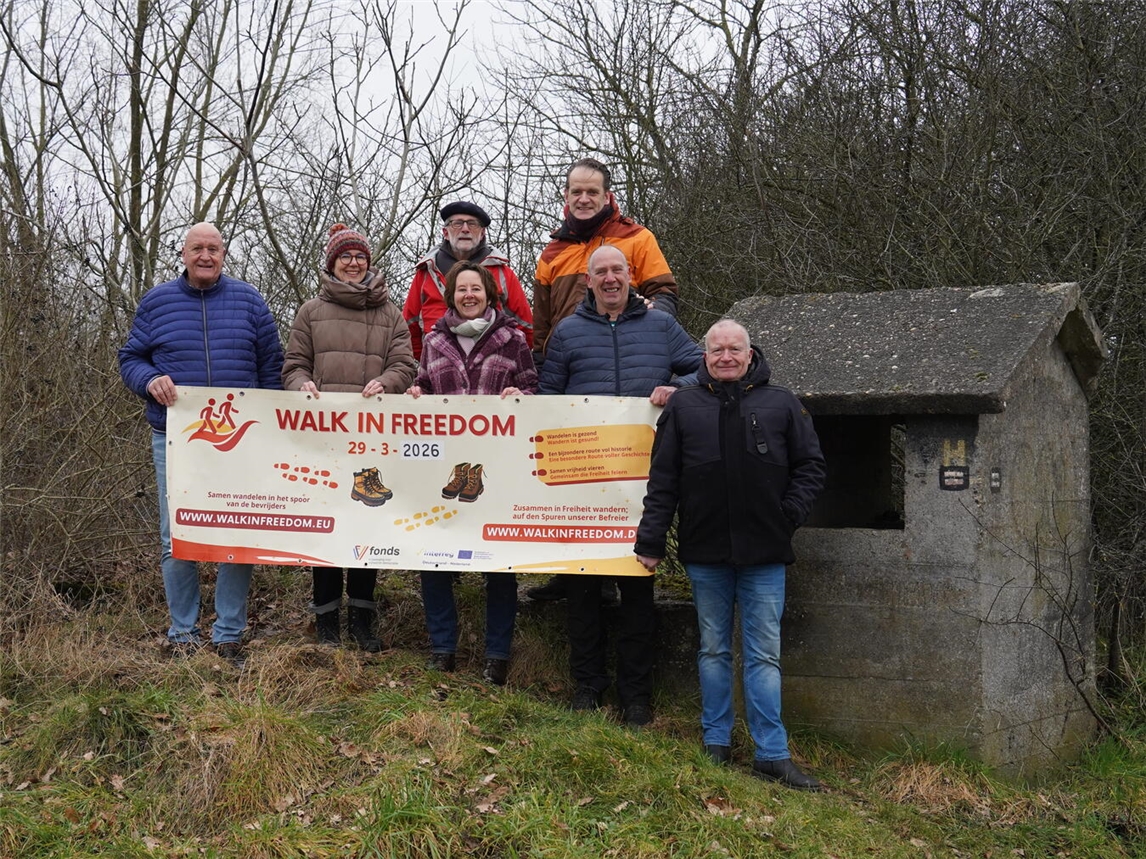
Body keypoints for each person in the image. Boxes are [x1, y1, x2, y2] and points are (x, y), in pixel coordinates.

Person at [634, 319, 827, 790]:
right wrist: (651, 541)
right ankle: (715, 743)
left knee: (763, 655)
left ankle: (771, 753)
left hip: (766, 551)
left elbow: (811, 467)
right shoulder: (684, 407)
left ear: (749, 353)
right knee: (714, 649)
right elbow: (663, 479)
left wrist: (788, 515)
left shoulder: (782, 403)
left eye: (734, 349)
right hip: (705, 550)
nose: (725, 357)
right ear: (704, 357)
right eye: (717, 350)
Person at [539, 245, 702, 725]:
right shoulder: (567, 332)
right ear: (588, 281)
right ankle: (587, 686)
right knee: (581, 592)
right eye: (601, 272)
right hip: (579, 483)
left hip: (642, 484)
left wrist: (678, 389)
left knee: (637, 592)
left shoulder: (661, 325)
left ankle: (636, 697)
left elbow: (703, 368)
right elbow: (547, 399)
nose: (610, 279)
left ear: (630, 275)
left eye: (617, 270)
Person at [118, 222, 284, 665]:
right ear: (184, 254)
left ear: (223, 254)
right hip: (175, 439)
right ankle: (183, 634)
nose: (205, 256)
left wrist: (272, 430)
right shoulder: (157, 302)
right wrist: (149, 379)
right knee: (177, 534)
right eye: (197, 249)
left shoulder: (249, 300)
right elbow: (130, 358)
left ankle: (228, 633)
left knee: (238, 531)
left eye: (213, 248)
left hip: (241, 441)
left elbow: (272, 366)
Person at [527, 157, 679, 603]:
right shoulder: (551, 253)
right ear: (565, 197)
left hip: (630, 382)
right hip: (572, 381)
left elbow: (665, 293)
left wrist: (649, 317)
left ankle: (625, 573)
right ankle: (569, 574)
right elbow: (541, 323)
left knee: (629, 490)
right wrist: (542, 373)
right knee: (574, 491)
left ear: (607, 195)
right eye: (576, 191)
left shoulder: (637, 237)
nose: (584, 198)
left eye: (592, 191)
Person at [281, 223, 418, 652]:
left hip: (373, 439)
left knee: (366, 525)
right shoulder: (310, 312)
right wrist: (301, 385)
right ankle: (325, 622)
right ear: (332, 263)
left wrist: (388, 382)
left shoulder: (390, 313)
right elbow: (293, 365)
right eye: (346, 257)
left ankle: (362, 619)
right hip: (323, 440)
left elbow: (405, 364)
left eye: (360, 256)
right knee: (327, 528)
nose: (354, 263)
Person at [407, 261, 538, 685]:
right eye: (461, 289)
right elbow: (424, 385)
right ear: (451, 296)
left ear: (489, 294)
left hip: (498, 467)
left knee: (498, 563)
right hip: (444, 471)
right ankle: (442, 648)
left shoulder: (512, 339)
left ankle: (496, 655)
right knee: (434, 557)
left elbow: (534, 387)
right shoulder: (433, 341)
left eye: (476, 289)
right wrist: (416, 393)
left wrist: (522, 394)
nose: (469, 295)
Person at [403, 200, 533, 361]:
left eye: (472, 224)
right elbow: (408, 329)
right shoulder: (425, 273)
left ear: (482, 233)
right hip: (437, 368)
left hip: (493, 369)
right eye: (457, 223)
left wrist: (504, 363)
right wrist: (429, 361)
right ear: (445, 232)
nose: (465, 229)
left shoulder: (502, 273)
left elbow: (525, 328)